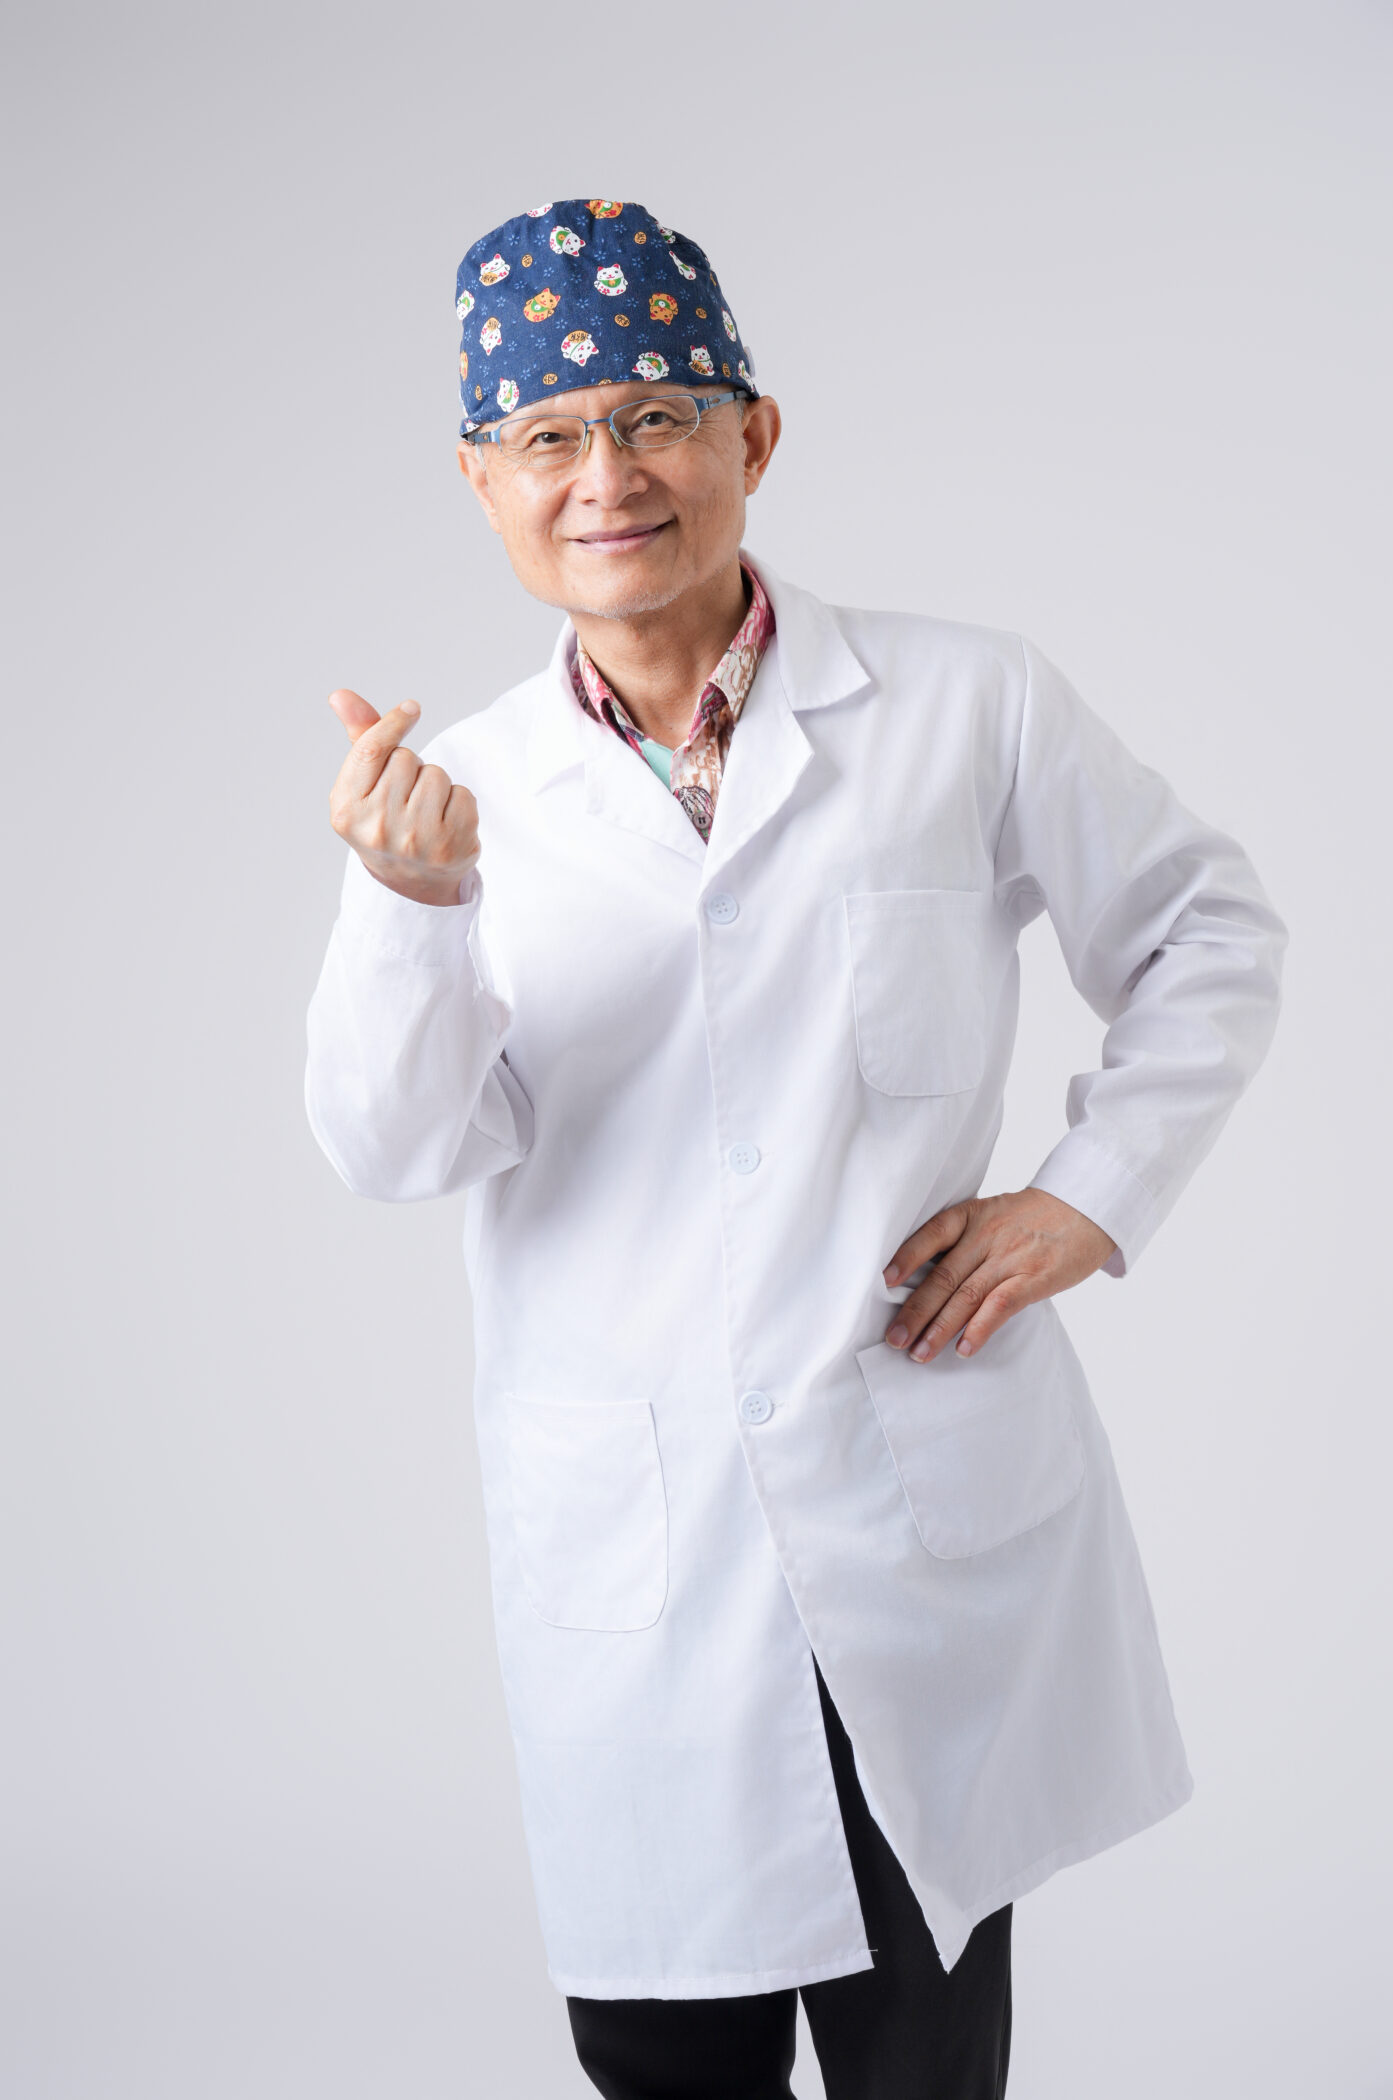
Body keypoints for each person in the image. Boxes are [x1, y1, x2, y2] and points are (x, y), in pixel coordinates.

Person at [304, 198, 1287, 2100]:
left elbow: (1209, 928)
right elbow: (395, 1146)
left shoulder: (965, 702)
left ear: (753, 436)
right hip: (647, 1560)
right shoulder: (465, 796)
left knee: (927, 2058)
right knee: (665, 2060)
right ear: (483, 483)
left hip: (913, 1526)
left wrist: (1087, 1199)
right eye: (548, 435)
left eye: (657, 416)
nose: (607, 475)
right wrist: (409, 907)